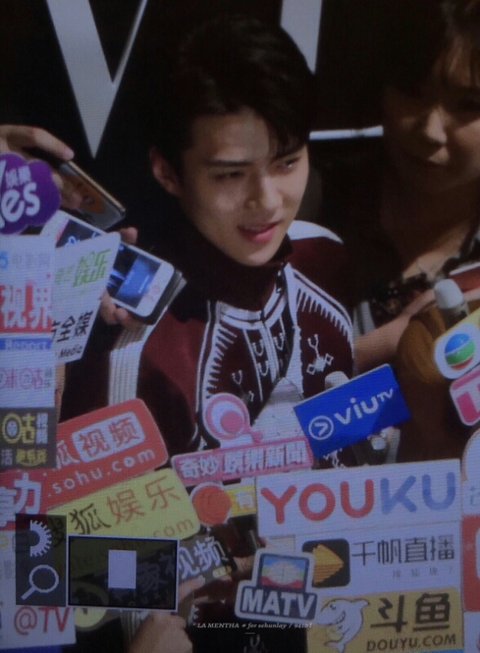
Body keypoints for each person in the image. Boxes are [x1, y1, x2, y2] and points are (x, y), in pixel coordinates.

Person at [0, 13, 354, 653]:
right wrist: (223, 575)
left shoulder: (324, 260)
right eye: (230, 174)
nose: (268, 200)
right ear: (167, 172)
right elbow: (39, 566)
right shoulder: (124, 339)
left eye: (287, 162)